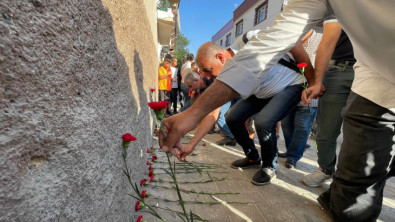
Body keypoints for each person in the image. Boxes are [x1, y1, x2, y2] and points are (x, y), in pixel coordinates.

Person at [160, 1, 394, 221]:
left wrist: (311, 79)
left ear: (221, 57)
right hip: (373, 79)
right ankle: (253, 155)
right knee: (232, 116)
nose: (208, 77)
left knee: (263, 121)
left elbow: (297, 49)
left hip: (288, 86)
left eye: (209, 71)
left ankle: (269, 166)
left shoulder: (252, 37)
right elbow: (213, 112)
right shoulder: (238, 59)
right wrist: (190, 121)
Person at [301, 21, 355, 187]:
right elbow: (328, 41)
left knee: (361, 134)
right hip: (338, 69)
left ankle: (350, 179)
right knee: (325, 130)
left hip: (375, 70)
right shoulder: (338, 6)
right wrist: (316, 80)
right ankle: (326, 168)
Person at [279, 27, 323, 169]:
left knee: (302, 127)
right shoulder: (289, 43)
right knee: (286, 125)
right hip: (288, 93)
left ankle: (294, 157)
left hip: (310, 94)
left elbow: (324, 67)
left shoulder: (321, 40)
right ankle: (290, 150)